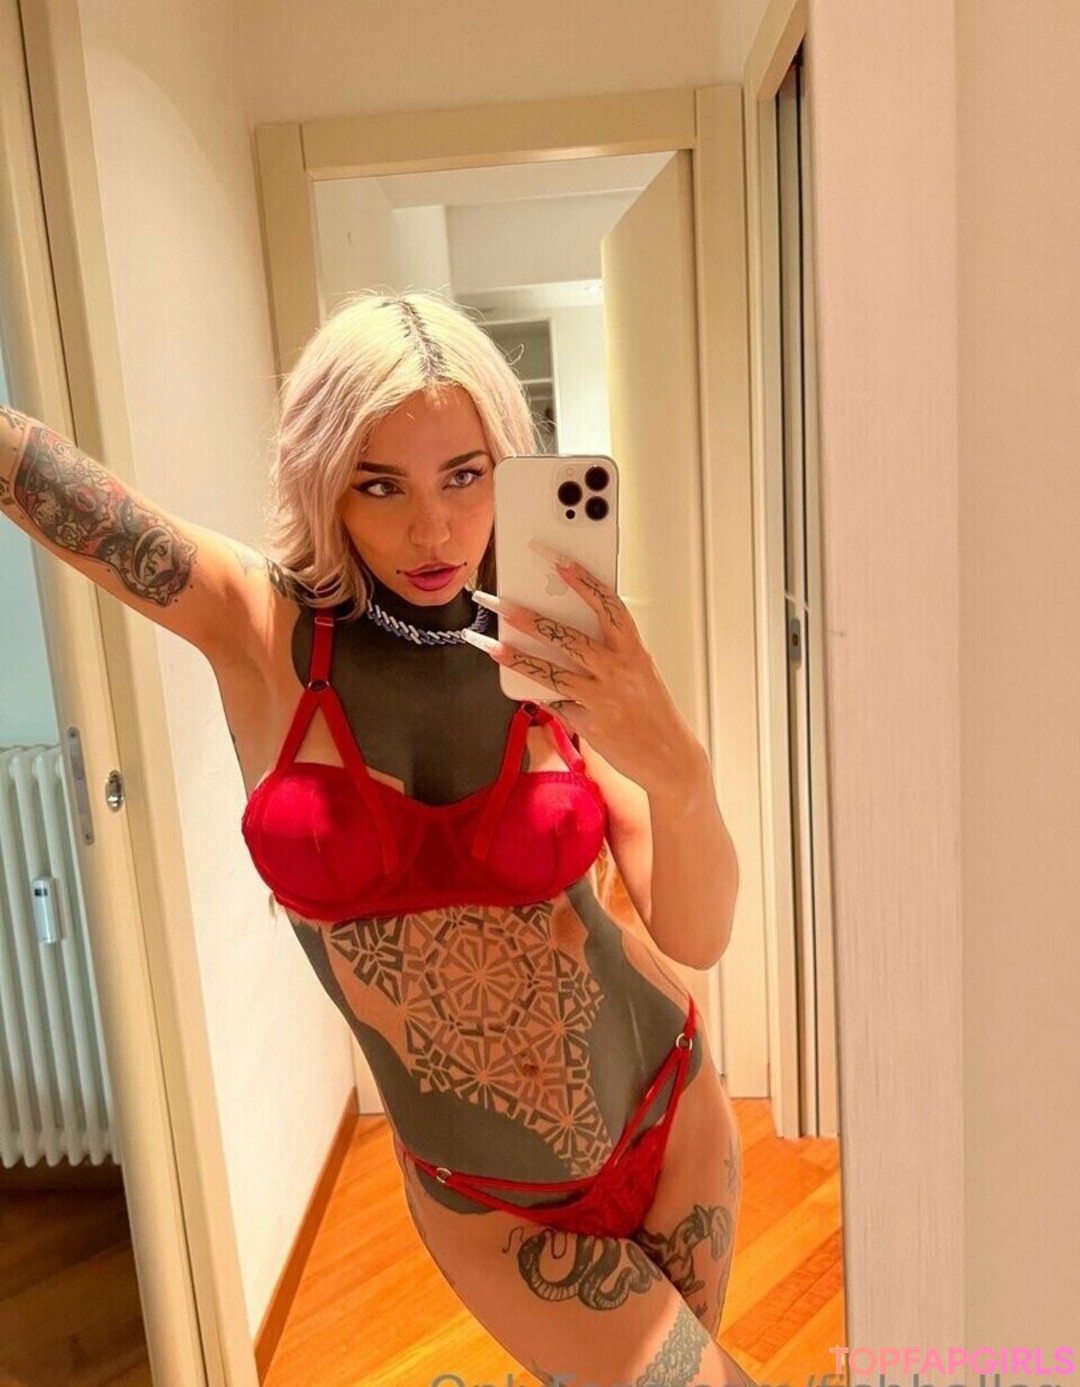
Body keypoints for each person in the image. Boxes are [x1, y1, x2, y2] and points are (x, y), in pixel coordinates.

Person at [0, 291, 753, 1387]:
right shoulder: (262, 629)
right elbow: (43, 481)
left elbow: (697, 930)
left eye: (466, 474)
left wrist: (679, 765)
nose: (433, 531)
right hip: (493, 1204)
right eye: (380, 484)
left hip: (672, 1110)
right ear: (324, 484)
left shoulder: (549, 643)